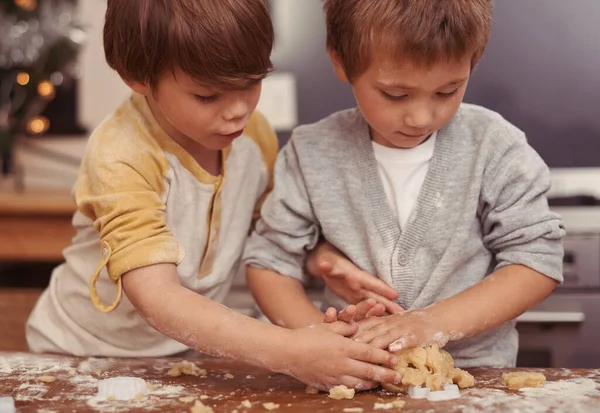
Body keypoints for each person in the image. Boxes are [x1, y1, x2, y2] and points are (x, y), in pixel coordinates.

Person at [26, 0, 401, 391]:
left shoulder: (254, 136)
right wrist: (290, 350)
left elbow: (272, 233)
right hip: (84, 354)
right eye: (207, 96)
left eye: (252, 83)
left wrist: (322, 259)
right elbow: (157, 296)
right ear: (137, 76)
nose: (238, 110)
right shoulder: (121, 154)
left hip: (189, 354)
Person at [245, 0, 565, 368]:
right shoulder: (310, 153)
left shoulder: (494, 146)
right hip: (350, 380)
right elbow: (268, 264)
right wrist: (322, 344)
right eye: (396, 95)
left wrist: (434, 323)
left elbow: (535, 262)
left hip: (475, 378)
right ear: (340, 61)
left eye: (447, 91)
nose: (421, 117)